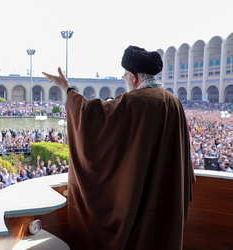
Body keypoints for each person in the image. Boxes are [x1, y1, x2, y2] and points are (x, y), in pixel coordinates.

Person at [42, 46, 195, 250]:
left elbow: (91, 117)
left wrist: (68, 90)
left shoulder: (134, 101)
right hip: (165, 196)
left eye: (125, 75)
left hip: (138, 200)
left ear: (133, 77)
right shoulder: (174, 102)